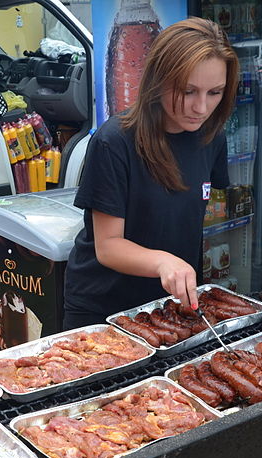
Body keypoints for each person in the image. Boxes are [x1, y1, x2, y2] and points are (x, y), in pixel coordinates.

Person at [63, 17, 239, 330]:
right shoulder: (114, 140)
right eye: (188, 91)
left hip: (168, 307)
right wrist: (163, 260)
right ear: (159, 80)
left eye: (215, 92)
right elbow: (108, 246)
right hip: (104, 306)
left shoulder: (212, 136)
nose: (201, 107)